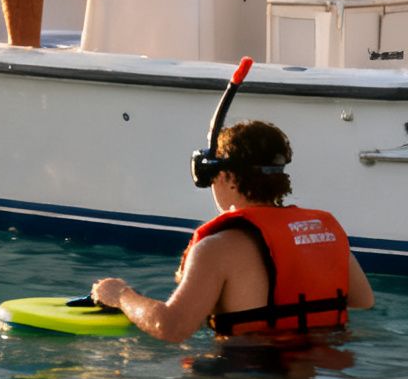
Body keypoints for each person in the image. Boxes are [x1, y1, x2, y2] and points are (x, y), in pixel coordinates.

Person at [90, 120, 374, 342]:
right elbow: (363, 303)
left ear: (227, 177)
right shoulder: (325, 232)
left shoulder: (218, 248)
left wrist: (121, 296)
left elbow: (171, 327)